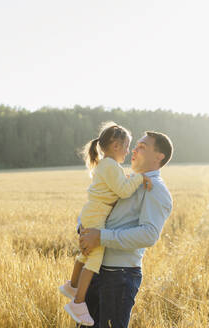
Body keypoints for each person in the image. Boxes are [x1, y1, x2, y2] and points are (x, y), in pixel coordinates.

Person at [59, 122, 152, 326]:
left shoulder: (107, 165)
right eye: (127, 146)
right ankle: (78, 301)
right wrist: (138, 178)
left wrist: (129, 177)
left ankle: (72, 285)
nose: (129, 151)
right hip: (96, 216)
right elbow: (124, 191)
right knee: (94, 259)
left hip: (92, 214)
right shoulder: (110, 165)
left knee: (85, 253)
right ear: (116, 146)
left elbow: (116, 185)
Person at [78, 131, 174, 328]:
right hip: (96, 269)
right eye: (136, 144)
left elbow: (149, 235)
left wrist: (101, 237)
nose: (134, 149)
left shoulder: (155, 188)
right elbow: (98, 206)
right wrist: (83, 227)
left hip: (119, 276)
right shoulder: (128, 181)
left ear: (159, 156)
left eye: (143, 146)